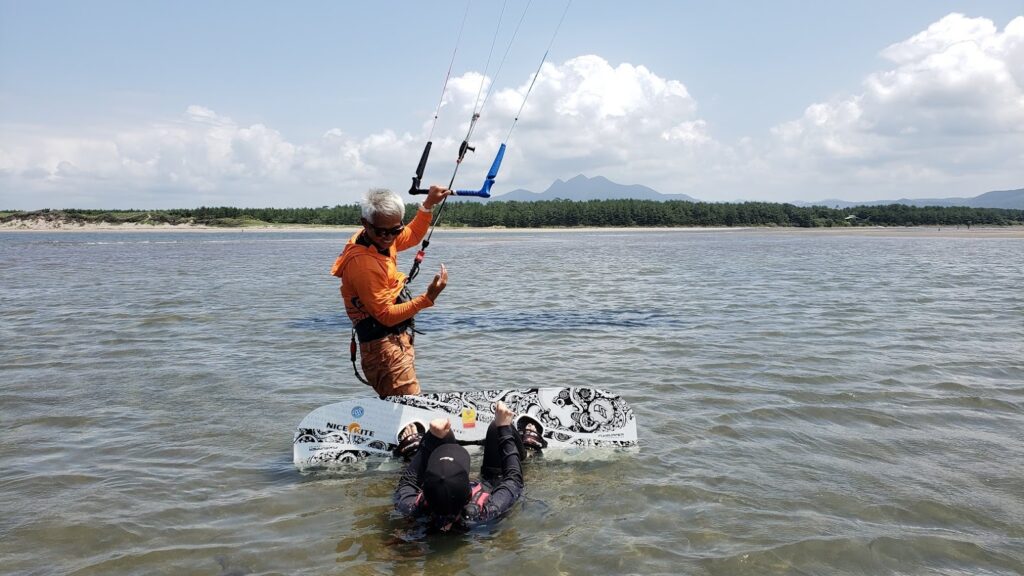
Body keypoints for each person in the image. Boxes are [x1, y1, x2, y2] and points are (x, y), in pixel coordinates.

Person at [331, 186, 451, 397]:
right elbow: (385, 316)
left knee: (407, 409)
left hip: (396, 341)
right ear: (365, 224)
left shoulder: (380, 238)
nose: (389, 237)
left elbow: (412, 234)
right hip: (383, 349)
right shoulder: (364, 265)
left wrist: (428, 205)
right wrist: (428, 298)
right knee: (412, 409)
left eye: (395, 230)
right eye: (382, 231)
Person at [395, 401, 535, 532]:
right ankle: (527, 451)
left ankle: (413, 449)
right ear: (469, 496)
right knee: (495, 428)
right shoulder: (487, 512)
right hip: (490, 481)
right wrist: (504, 427)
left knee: (443, 434)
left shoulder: (409, 507)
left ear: (424, 491)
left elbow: (408, 482)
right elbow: (514, 480)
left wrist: (431, 438)